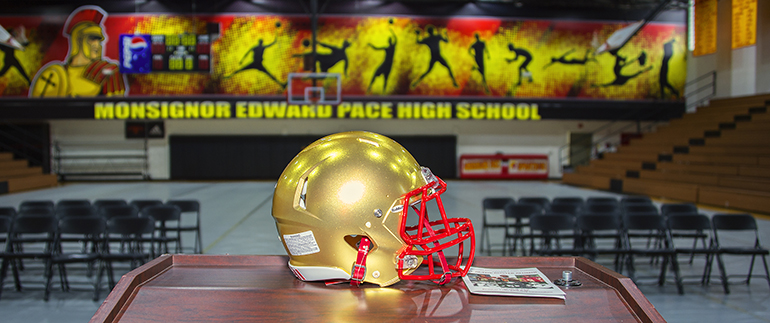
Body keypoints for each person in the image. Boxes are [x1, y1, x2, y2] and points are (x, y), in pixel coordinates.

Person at [30, 6, 126, 97]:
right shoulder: (55, 73)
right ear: (78, 40)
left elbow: (117, 109)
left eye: (99, 40)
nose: (97, 45)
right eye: (92, 38)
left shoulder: (108, 72)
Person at [367, 29, 397, 93]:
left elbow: (396, 39)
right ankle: (370, 87)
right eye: (389, 40)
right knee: (378, 75)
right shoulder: (388, 48)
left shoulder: (392, 47)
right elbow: (376, 48)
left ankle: (383, 92)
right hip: (386, 64)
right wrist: (371, 45)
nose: (390, 41)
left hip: (388, 65)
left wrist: (392, 32)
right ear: (389, 42)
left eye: (390, 40)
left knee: (385, 79)